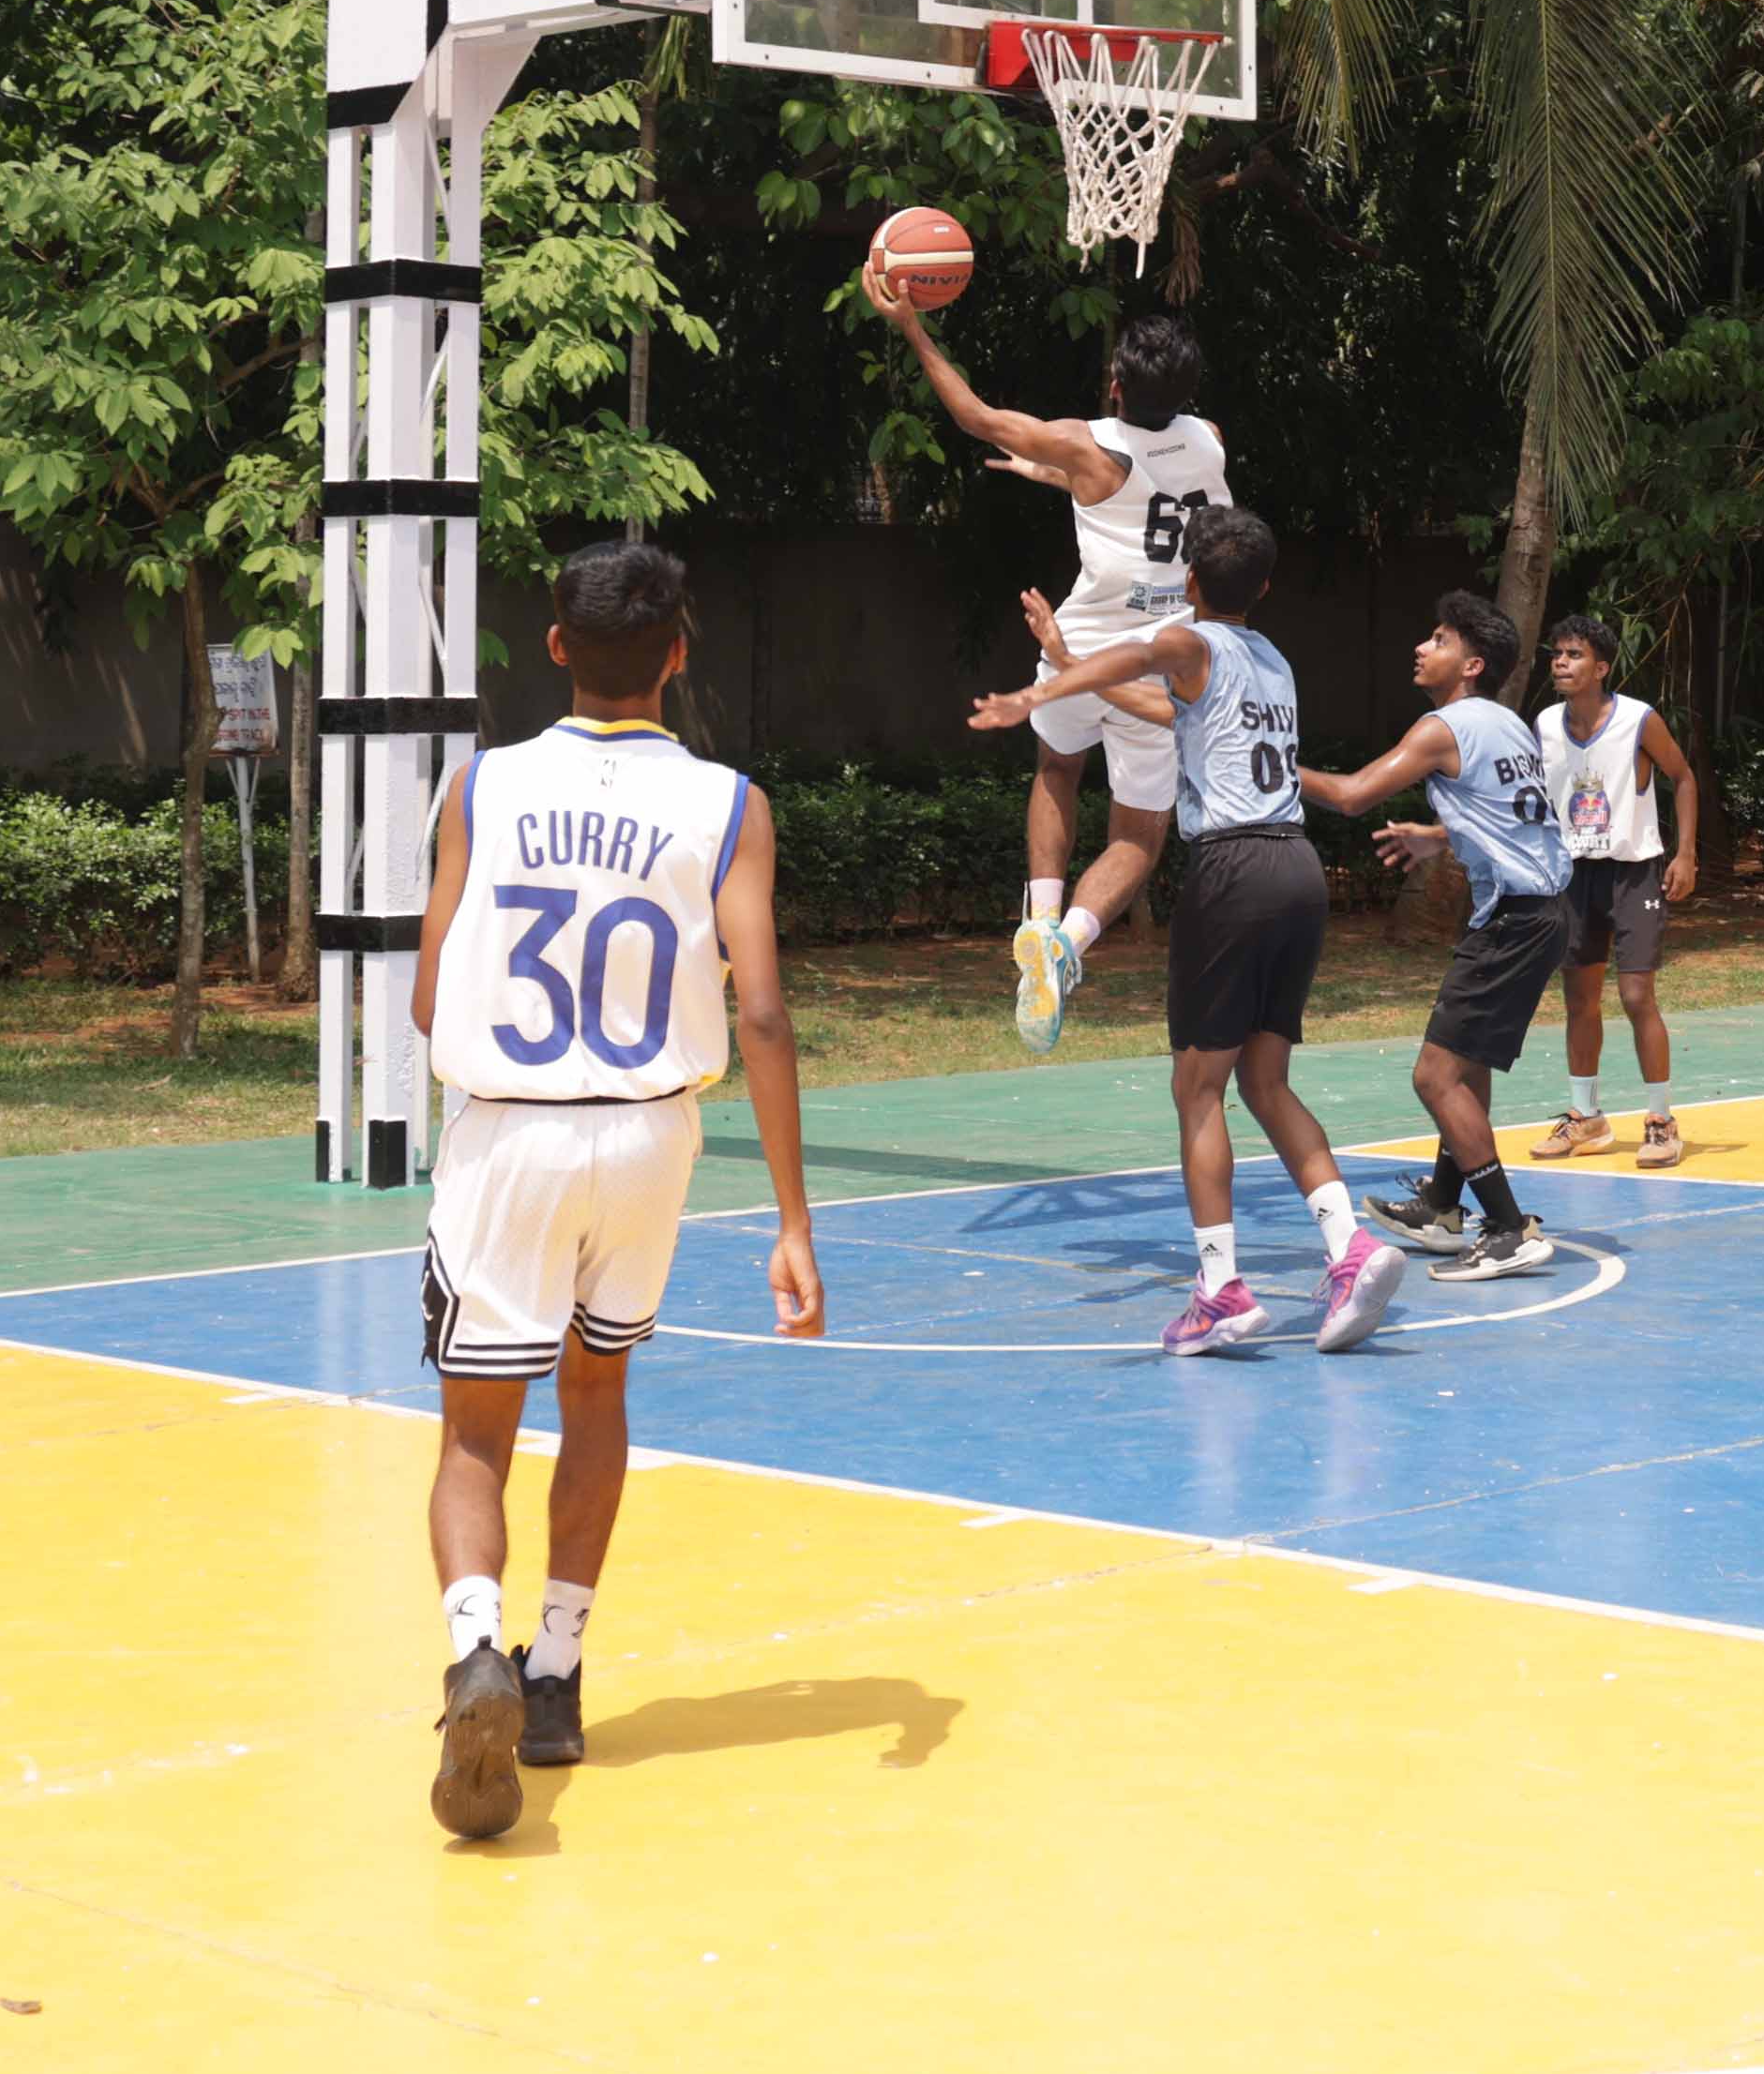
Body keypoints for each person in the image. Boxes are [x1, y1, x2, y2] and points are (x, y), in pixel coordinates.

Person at [406, 539, 822, 1843]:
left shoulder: (481, 787)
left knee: (477, 1429)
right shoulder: (730, 804)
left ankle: (475, 1644)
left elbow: (428, 995)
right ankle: (556, 1676)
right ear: (680, 655)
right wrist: (795, 1222)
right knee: (598, 1389)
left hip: (512, 1134)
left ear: (552, 647)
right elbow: (759, 1009)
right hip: (650, 1138)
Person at [968, 506, 1409, 1361]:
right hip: (1298, 870)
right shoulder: (1270, 662)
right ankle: (1350, 1249)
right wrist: (1068, 663)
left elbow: (1146, 655)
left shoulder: (1188, 641)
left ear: (1189, 583)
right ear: (1267, 585)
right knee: (1266, 1084)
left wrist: (1039, 691)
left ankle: (1219, 1292)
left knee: (1197, 1090)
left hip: (1235, 871)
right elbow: (1173, 711)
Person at [870, 277, 1225, 1058]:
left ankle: (1038, 917)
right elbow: (1146, 489)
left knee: (1057, 770)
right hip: (1162, 663)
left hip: (1078, 648)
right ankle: (1067, 943)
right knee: (1139, 835)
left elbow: (976, 418)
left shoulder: (1086, 443)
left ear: (1114, 385)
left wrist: (913, 328)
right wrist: (1052, 477)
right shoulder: (1209, 440)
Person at [1310, 591, 1576, 1278]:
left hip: (1517, 921)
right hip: (1539, 914)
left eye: (1438, 640)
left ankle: (1509, 1227)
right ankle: (1443, 1207)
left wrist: (1265, 762)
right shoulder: (1508, 725)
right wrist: (1438, 835)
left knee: (1434, 1076)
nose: (1422, 648)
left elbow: (1350, 795)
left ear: (1472, 663)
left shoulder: (1444, 727)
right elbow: (1514, 820)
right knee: (1467, 1067)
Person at [1536, 612, 1702, 1167]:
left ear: (1601, 667)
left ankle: (1661, 1119)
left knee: (1636, 997)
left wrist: (1685, 852)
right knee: (1579, 999)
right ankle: (1586, 1117)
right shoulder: (1544, 726)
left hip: (1633, 871)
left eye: (1574, 654)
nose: (1561, 662)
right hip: (1574, 874)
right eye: (1557, 653)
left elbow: (1683, 777)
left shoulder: (1638, 720)